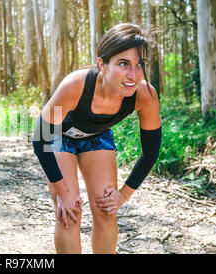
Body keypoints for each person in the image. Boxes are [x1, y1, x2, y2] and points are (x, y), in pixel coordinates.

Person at [32, 23, 162, 254]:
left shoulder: (146, 95)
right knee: (69, 213)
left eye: (140, 65)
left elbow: (151, 152)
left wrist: (122, 195)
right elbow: (41, 137)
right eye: (123, 64)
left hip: (96, 137)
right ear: (102, 64)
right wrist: (63, 191)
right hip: (57, 138)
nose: (133, 75)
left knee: (106, 209)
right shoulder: (76, 84)